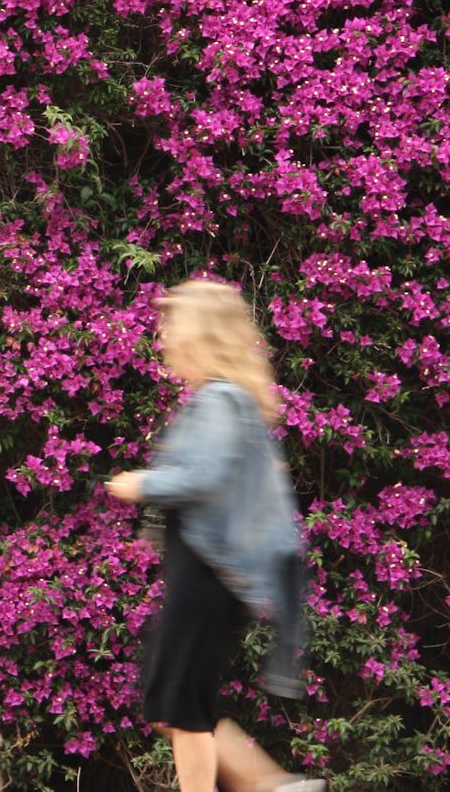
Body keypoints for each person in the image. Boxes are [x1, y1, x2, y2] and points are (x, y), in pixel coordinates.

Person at [104, 280, 323, 792]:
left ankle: (274, 786)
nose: (163, 338)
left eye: (170, 326)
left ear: (198, 334)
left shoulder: (221, 400)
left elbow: (205, 476)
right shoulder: (220, 399)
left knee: (182, 705)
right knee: (175, 704)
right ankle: (274, 787)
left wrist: (142, 484)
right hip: (204, 577)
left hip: (210, 579)